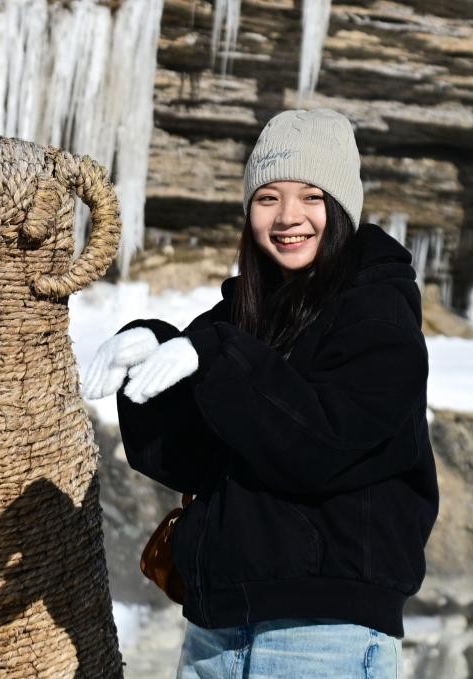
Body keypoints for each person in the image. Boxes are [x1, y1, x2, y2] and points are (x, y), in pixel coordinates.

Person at [82, 108, 438, 678]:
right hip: (216, 633)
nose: (288, 217)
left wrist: (216, 357)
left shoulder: (379, 314)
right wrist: (150, 353)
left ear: (342, 206)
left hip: (325, 637)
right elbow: (180, 459)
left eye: (311, 197)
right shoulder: (241, 315)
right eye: (268, 198)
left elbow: (322, 444)